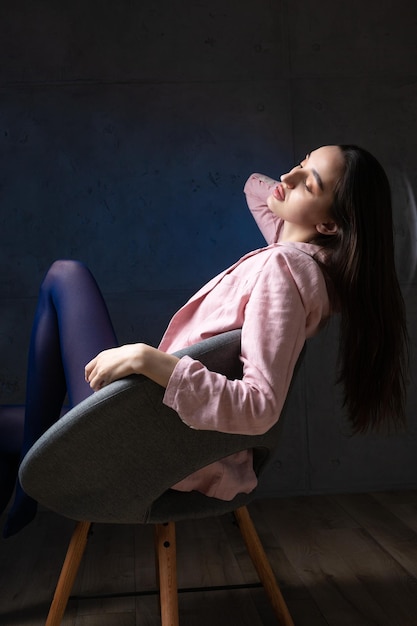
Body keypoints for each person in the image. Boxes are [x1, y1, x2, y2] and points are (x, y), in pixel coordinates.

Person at [0, 144, 409, 538]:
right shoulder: (298, 261)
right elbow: (258, 191)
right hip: (153, 431)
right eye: (300, 161)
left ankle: (24, 489)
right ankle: (24, 484)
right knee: (15, 428)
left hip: (154, 442)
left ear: (329, 225)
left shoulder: (283, 270)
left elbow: (260, 407)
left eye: (308, 182)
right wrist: (301, 192)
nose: (287, 175)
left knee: (65, 275)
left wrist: (147, 359)